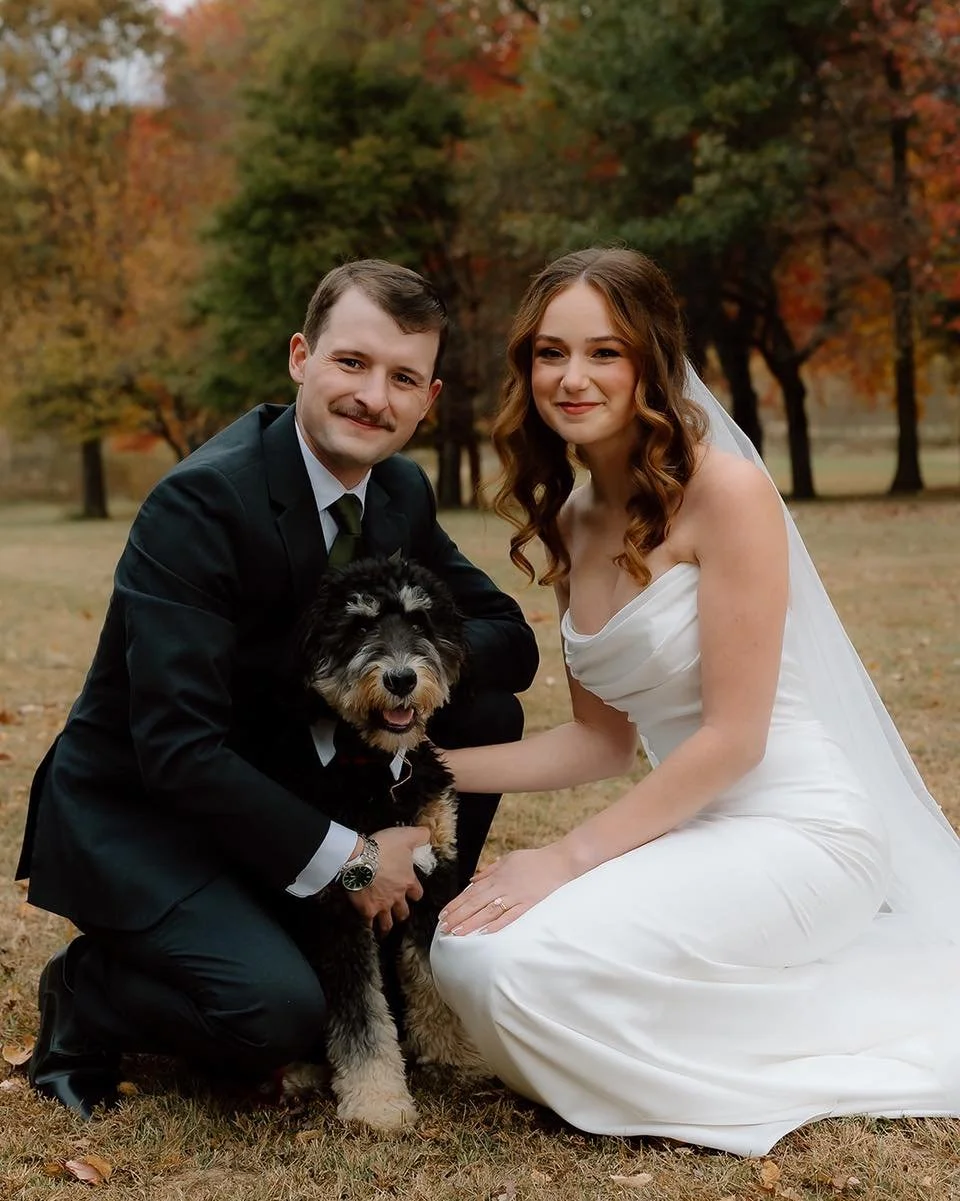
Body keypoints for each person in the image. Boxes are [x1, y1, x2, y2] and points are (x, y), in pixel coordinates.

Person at [430, 246, 960, 1156]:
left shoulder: (728, 492)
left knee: (519, 966)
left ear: (650, 361)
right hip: (696, 829)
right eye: (550, 352)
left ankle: (806, 1022)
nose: (572, 375)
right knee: (467, 952)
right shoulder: (573, 519)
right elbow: (599, 743)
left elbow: (734, 739)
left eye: (604, 351)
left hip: (803, 829)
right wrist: (410, 768)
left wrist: (565, 859)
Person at [16, 258, 539, 1119]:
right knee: (275, 1012)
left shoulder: (399, 488)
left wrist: (392, 668)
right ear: (301, 356)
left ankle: (405, 940)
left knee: (483, 707)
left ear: (428, 399)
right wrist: (353, 856)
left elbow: (508, 641)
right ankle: (88, 990)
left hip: (282, 776)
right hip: (154, 810)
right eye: (351, 363)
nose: (374, 396)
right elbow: (177, 752)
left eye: (402, 377)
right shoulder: (199, 507)